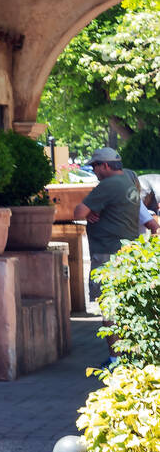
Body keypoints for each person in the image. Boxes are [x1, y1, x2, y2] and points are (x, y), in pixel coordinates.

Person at [74, 148, 159, 363]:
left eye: (95, 166)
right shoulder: (129, 183)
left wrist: (90, 209)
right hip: (125, 253)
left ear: (105, 165)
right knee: (123, 308)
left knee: (109, 310)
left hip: (107, 255)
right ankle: (128, 357)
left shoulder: (109, 185)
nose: (94, 170)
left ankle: (115, 361)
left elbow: (78, 213)